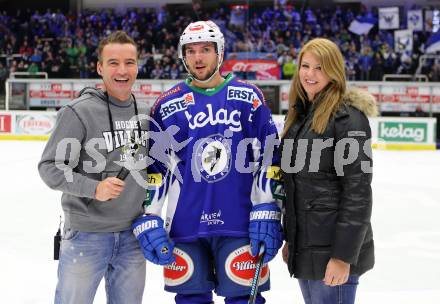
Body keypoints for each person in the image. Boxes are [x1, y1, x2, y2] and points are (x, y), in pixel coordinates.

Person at [131, 21, 283, 304]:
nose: (198, 57)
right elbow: (156, 169)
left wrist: (267, 208)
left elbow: (271, 155)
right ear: (183, 55)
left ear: (220, 52)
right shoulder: (166, 104)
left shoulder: (249, 97)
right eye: (191, 51)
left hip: (240, 224)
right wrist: (150, 215)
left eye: (205, 49)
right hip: (184, 227)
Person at [38, 31, 152, 304]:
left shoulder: (145, 113)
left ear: (138, 66)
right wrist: (94, 188)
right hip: (86, 236)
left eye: (129, 62)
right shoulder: (78, 112)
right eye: (113, 63)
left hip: (133, 236)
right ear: (100, 67)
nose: (122, 70)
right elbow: (50, 167)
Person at [280, 38, 377, 304]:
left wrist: (343, 257)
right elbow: (297, 187)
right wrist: (293, 240)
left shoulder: (348, 118)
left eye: (319, 68)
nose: (309, 74)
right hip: (308, 248)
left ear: (334, 71)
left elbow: (357, 192)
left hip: (333, 254)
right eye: (305, 66)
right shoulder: (301, 117)